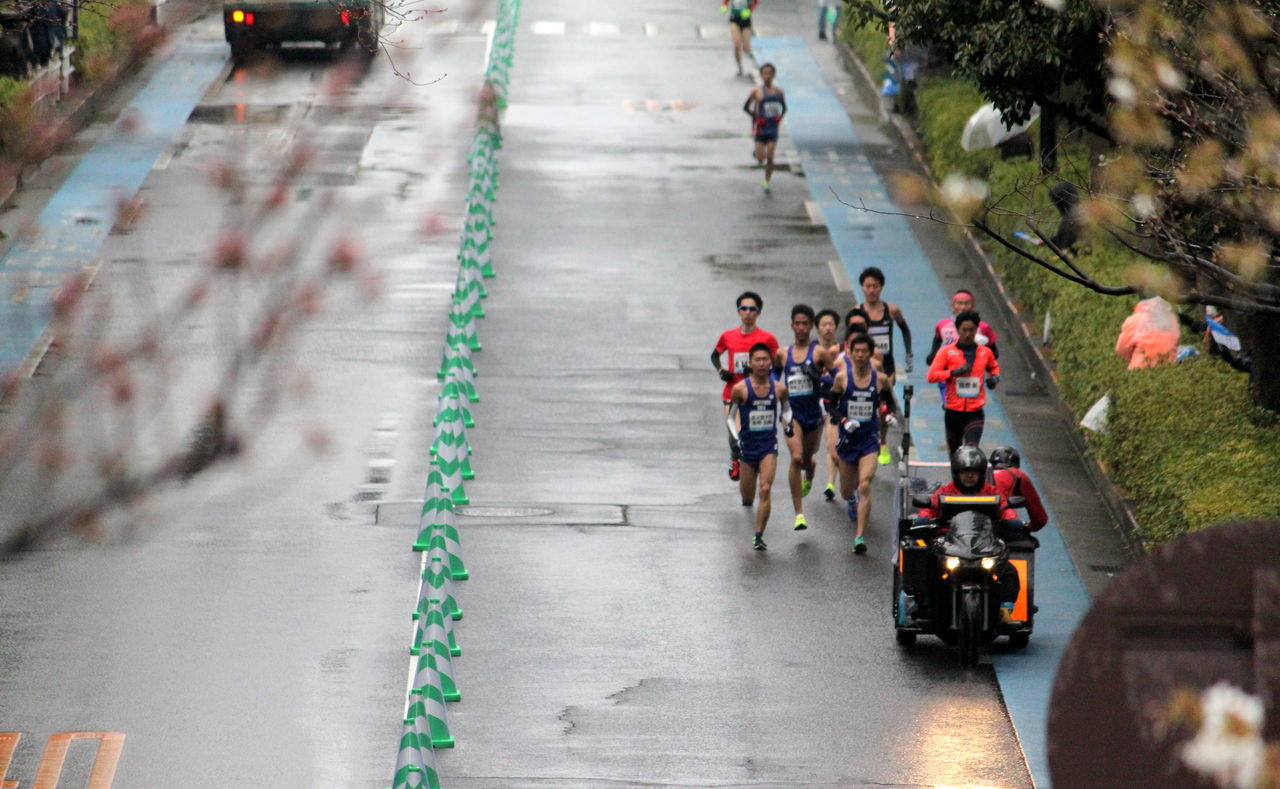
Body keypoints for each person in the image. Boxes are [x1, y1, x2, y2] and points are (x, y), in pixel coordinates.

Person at [914, 446, 1021, 618]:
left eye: (974, 472)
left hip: (984, 545)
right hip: (951, 545)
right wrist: (924, 517)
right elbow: (931, 508)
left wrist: (1012, 519)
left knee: (1008, 571)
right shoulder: (945, 491)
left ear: (981, 473)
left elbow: (1005, 507)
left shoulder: (991, 491)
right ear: (956, 473)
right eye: (965, 471)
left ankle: (1005, 609)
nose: (969, 475)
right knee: (927, 565)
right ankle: (925, 601)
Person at [825, 332, 891, 554]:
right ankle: (851, 501)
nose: (861, 355)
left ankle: (859, 537)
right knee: (846, 491)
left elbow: (887, 402)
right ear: (850, 353)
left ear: (871, 354)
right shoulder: (842, 379)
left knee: (864, 485)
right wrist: (843, 419)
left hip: (868, 441)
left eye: (865, 351)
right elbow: (830, 406)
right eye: (857, 351)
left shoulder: (879, 379)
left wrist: (887, 414)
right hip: (848, 440)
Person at [727, 343, 792, 550]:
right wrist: (736, 440)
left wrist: (788, 425)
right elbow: (730, 418)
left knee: (765, 489)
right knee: (747, 494)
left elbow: (787, 411)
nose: (762, 364)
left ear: (771, 362)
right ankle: (745, 493)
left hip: (768, 446)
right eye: (758, 360)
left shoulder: (779, 389)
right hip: (747, 447)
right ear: (750, 363)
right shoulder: (740, 389)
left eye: (766, 359)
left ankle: (758, 535)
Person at [776, 304, 834, 530]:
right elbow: (773, 377)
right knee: (796, 458)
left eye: (805, 324)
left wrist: (818, 377)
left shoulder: (820, 353)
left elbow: (837, 379)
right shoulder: (783, 354)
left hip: (814, 415)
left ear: (811, 327)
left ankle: (811, 471)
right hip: (792, 413)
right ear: (792, 325)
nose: (801, 328)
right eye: (797, 324)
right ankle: (799, 514)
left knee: (808, 457)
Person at [713, 291, 780, 481]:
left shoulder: (767, 339)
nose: (748, 312)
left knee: (751, 433)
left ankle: (754, 463)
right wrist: (721, 371)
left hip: (757, 393)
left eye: (752, 309)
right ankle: (735, 458)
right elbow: (714, 355)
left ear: (758, 312)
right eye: (744, 308)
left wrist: (771, 380)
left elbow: (777, 362)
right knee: (734, 432)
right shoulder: (728, 336)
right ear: (738, 311)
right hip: (732, 392)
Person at [926, 309, 1000, 456]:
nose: (967, 334)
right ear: (957, 330)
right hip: (953, 412)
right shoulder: (946, 352)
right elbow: (931, 376)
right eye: (964, 330)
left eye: (971, 330)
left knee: (971, 451)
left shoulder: (985, 352)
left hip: (975, 412)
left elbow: (994, 368)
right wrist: (953, 373)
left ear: (976, 330)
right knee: (955, 454)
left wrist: (994, 379)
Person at [857, 266, 912, 464]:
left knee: (882, 403)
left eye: (875, 286)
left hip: (887, 366)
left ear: (881, 287)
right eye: (867, 286)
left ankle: (882, 443)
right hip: (864, 365)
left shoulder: (891, 310)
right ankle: (866, 439)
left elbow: (905, 330)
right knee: (867, 402)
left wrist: (908, 354)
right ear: (862, 288)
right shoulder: (858, 312)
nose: (871, 290)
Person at [929, 289, 999, 401]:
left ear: (973, 306)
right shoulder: (942, 325)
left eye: (967, 303)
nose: (963, 307)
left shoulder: (983, 327)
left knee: (969, 408)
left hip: (971, 376)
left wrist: (992, 375)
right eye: (959, 303)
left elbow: (994, 352)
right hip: (948, 374)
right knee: (950, 406)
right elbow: (937, 339)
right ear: (953, 306)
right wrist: (932, 354)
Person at [744, 63, 786, 195]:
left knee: (770, 157)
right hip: (760, 129)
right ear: (762, 75)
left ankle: (767, 181)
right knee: (761, 159)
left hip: (772, 129)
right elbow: (745, 107)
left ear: (773, 75)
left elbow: (784, 108)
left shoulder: (779, 93)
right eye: (765, 73)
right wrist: (755, 117)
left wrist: (779, 118)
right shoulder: (756, 92)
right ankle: (757, 153)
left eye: (770, 73)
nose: (767, 76)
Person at [814, 308, 842, 502]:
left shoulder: (842, 352)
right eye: (824, 324)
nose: (827, 328)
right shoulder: (812, 351)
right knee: (813, 446)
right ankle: (810, 471)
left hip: (833, 402)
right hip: (815, 402)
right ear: (817, 328)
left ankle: (830, 483)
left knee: (831, 443)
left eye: (831, 324)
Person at [989, 445, 1048, 534]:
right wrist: (1029, 527)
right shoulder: (1017, 474)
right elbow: (1039, 516)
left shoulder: (980, 473)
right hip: (1001, 520)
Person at [722, 0, 758, 77]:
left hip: (745, 20)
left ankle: (756, 66)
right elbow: (725, 1)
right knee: (736, 45)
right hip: (734, 19)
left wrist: (750, 10)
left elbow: (756, 2)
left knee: (746, 48)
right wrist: (724, 6)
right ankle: (740, 68)